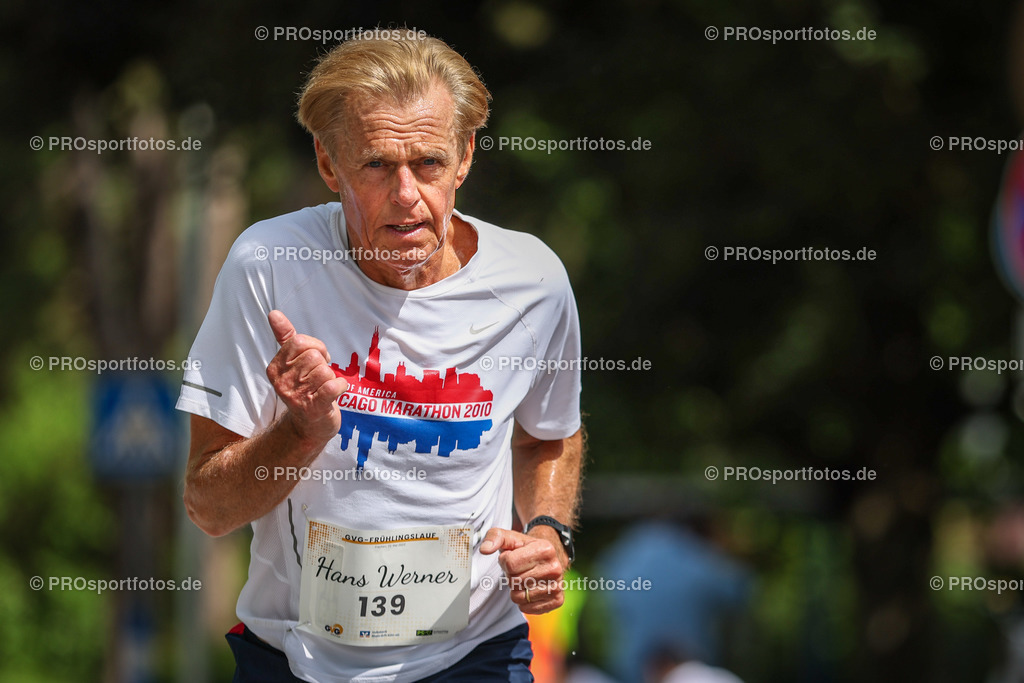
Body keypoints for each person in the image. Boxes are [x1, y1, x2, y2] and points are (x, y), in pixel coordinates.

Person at [176, 32, 584, 683]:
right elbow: (208, 506)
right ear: (329, 164)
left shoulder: (532, 283)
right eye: (374, 165)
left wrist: (545, 532)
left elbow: (548, 435)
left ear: (465, 158)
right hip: (294, 659)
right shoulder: (270, 266)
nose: (405, 194)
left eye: (427, 162)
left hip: (472, 655)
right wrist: (298, 431)